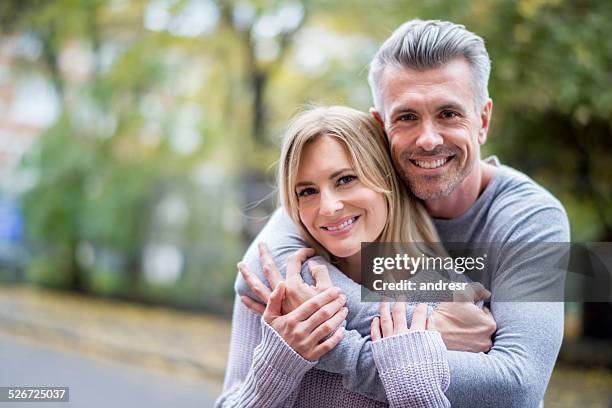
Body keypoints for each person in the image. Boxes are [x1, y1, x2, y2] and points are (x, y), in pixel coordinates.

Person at [232, 19, 570, 408]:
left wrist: (333, 346)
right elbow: (261, 273)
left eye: (448, 113)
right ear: (381, 126)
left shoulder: (530, 218)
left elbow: (515, 388)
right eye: (407, 117)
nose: (428, 139)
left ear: (483, 120)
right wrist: (428, 326)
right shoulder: (358, 184)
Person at [216, 106, 488, 407]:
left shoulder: (453, 302)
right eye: (307, 191)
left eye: (345, 179)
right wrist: (281, 359)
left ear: (386, 179)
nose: (328, 207)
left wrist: (410, 386)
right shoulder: (282, 290)